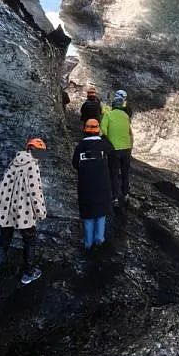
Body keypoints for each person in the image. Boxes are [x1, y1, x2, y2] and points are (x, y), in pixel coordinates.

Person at [0, 137, 48, 290]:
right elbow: (35, 191)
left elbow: (3, 186)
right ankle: (29, 272)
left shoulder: (14, 162)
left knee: (3, 243)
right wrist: (40, 212)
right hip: (24, 212)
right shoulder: (32, 165)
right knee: (29, 241)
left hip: (6, 210)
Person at [72, 118, 114, 251]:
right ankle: (99, 239)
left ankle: (87, 243)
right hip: (102, 186)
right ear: (97, 131)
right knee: (101, 213)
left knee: (88, 215)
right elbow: (112, 152)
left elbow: (75, 164)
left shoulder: (80, 147)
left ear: (85, 130)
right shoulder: (104, 145)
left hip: (85, 186)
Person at [100, 92, 133, 206]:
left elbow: (102, 131)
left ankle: (114, 198)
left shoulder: (108, 115)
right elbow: (129, 132)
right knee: (125, 172)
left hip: (114, 149)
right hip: (126, 148)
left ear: (113, 106)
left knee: (113, 174)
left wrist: (106, 142)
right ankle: (126, 194)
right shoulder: (126, 116)